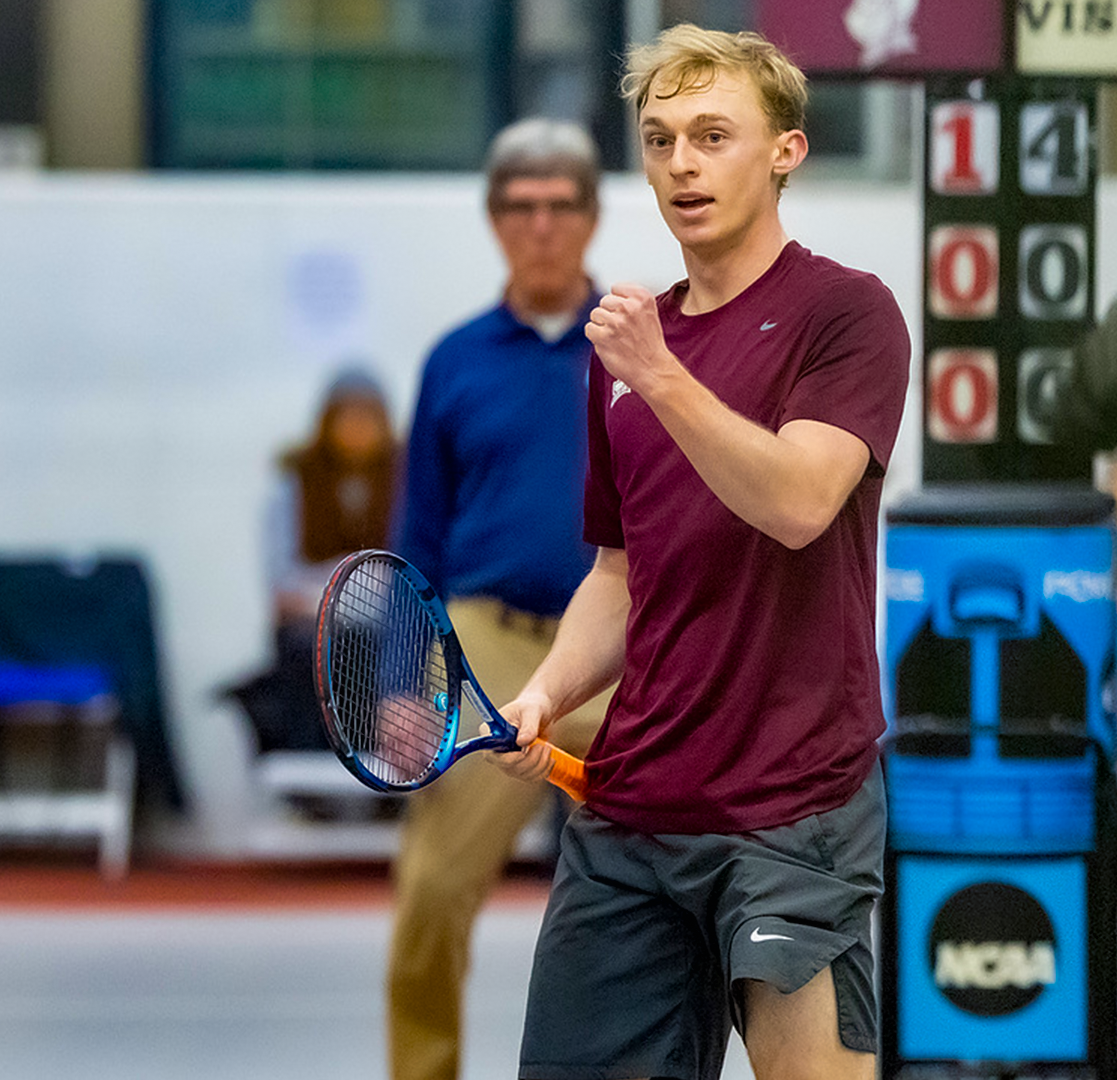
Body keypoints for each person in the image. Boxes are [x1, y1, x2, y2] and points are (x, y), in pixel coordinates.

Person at [491, 26, 909, 1080]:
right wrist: (545, 692)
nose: (681, 162)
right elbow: (619, 577)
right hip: (630, 817)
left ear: (786, 152)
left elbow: (803, 502)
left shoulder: (846, 313)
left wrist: (664, 376)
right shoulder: (622, 353)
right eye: (661, 137)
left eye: (713, 134)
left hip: (792, 813)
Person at [387, 117, 612, 1080]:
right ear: (493, 221)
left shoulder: (638, 347)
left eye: (562, 206)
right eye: (521, 208)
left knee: (676, 886)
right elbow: (417, 538)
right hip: (485, 651)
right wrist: (405, 683)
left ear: (592, 216)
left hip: (619, 640)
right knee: (431, 897)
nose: (543, 226)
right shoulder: (455, 361)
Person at [229, 368, 399, 761]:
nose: (357, 429)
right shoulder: (295, 484)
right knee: (315, 649)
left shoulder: (405, 481)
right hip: (315, 625)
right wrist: (349, 588)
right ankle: (311, 759)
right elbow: (283, 585)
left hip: (381, 630)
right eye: (347, 417)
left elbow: (411, 577)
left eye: (367, 418)